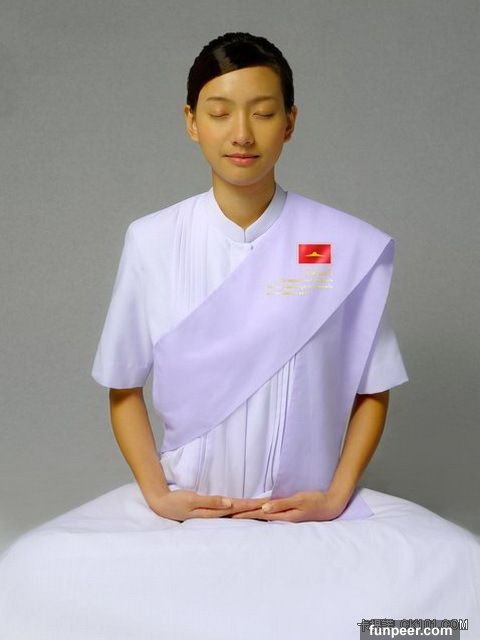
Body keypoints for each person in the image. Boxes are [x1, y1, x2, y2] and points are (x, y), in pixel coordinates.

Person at [0, 31, 478, 640]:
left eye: (263, 112)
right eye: (220, 113)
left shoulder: (341, 245)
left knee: (460, 571)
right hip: (184, 515)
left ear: (291, 121)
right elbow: (123, 389)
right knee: (29, 569)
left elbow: (373, 389)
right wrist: (159, 497)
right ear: (191, 122)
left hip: (306, 518)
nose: (242, 134)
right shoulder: (152, 240)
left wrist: (335, 497)